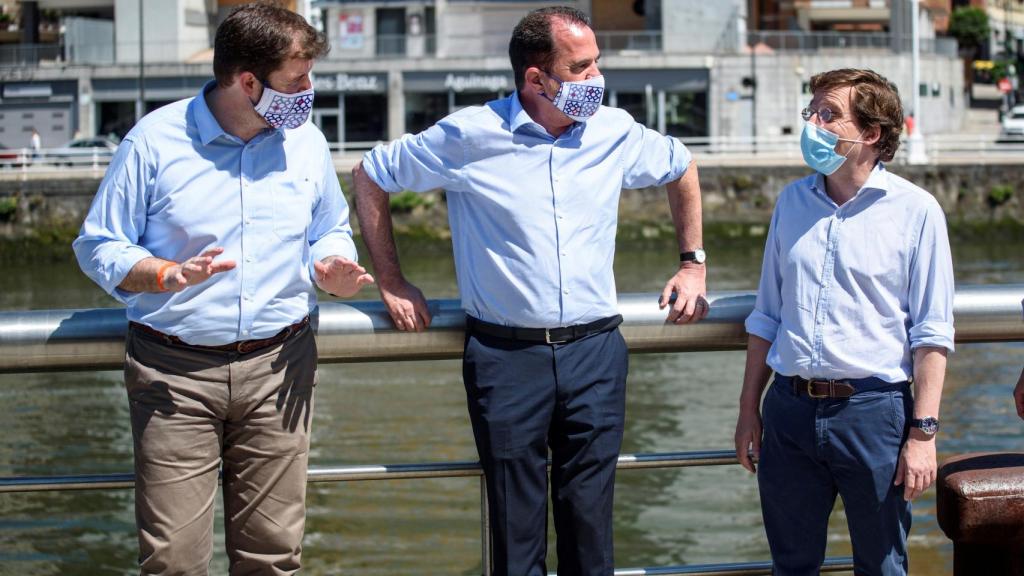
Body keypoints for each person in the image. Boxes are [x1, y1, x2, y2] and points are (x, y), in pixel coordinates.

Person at [353, 6, 707, 574]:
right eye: (582, 68)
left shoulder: (615, 131)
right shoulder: (469, 134)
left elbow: (681, 165)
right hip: (505, 355)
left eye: (597, 65)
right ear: (536, 79)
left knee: (591, 530)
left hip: (596, 351)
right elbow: (371, 173)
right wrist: (390, 279)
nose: (597, 80)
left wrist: (693, 264)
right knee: (515, 539)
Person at [72, 4, 373, 574]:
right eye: (297, 80)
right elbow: (99, 245)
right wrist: (165, 273)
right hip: (173, 374)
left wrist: (332, 263)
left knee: (274, 557)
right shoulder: (153, 142)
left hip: (281, 366)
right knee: (174, 562)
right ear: (248, 81)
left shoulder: (304, 140)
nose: (309, 91)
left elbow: (329, 226)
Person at [733, 68, 954, 575]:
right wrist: (749, 408)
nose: (811, 122)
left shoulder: (917, 211)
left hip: (874, 414)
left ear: (871, 133)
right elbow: (766, 314)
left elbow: (931, 332)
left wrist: (923, 436)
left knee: (881, 567)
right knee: (791, 566)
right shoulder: (791, 202)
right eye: (811, 111)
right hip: (788, 410)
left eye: (827, 113)